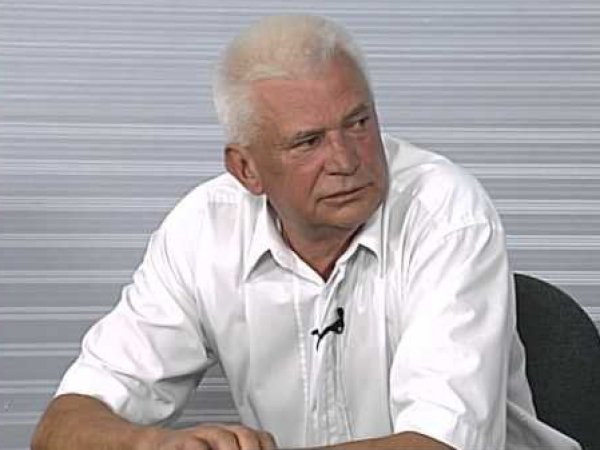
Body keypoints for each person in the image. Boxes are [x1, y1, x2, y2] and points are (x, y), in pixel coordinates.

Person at [31, 14, 581, 450]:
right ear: (246, 169)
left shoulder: (445, 212)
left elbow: (439, 444)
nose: (346, 160)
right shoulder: (202, 230)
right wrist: (151, 445)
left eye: (358, 123)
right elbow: (63, 425)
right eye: (308, 142)